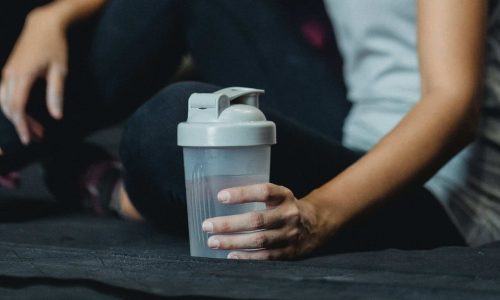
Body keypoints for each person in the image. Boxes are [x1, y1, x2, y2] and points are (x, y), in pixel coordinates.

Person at [119, 0, 500, 260]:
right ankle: (61, 146)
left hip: (444, 193)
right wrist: (61, 16)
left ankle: (114, 193)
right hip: (353, 134)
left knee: (170, 124)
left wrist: (317, 214)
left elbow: (453, 107)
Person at [0, 0, 346, 215]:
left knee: (167, 125)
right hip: (338, 115)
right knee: (176, 127)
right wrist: (51, 16)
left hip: (363, 154)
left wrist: (322, 212)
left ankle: (122, 197)